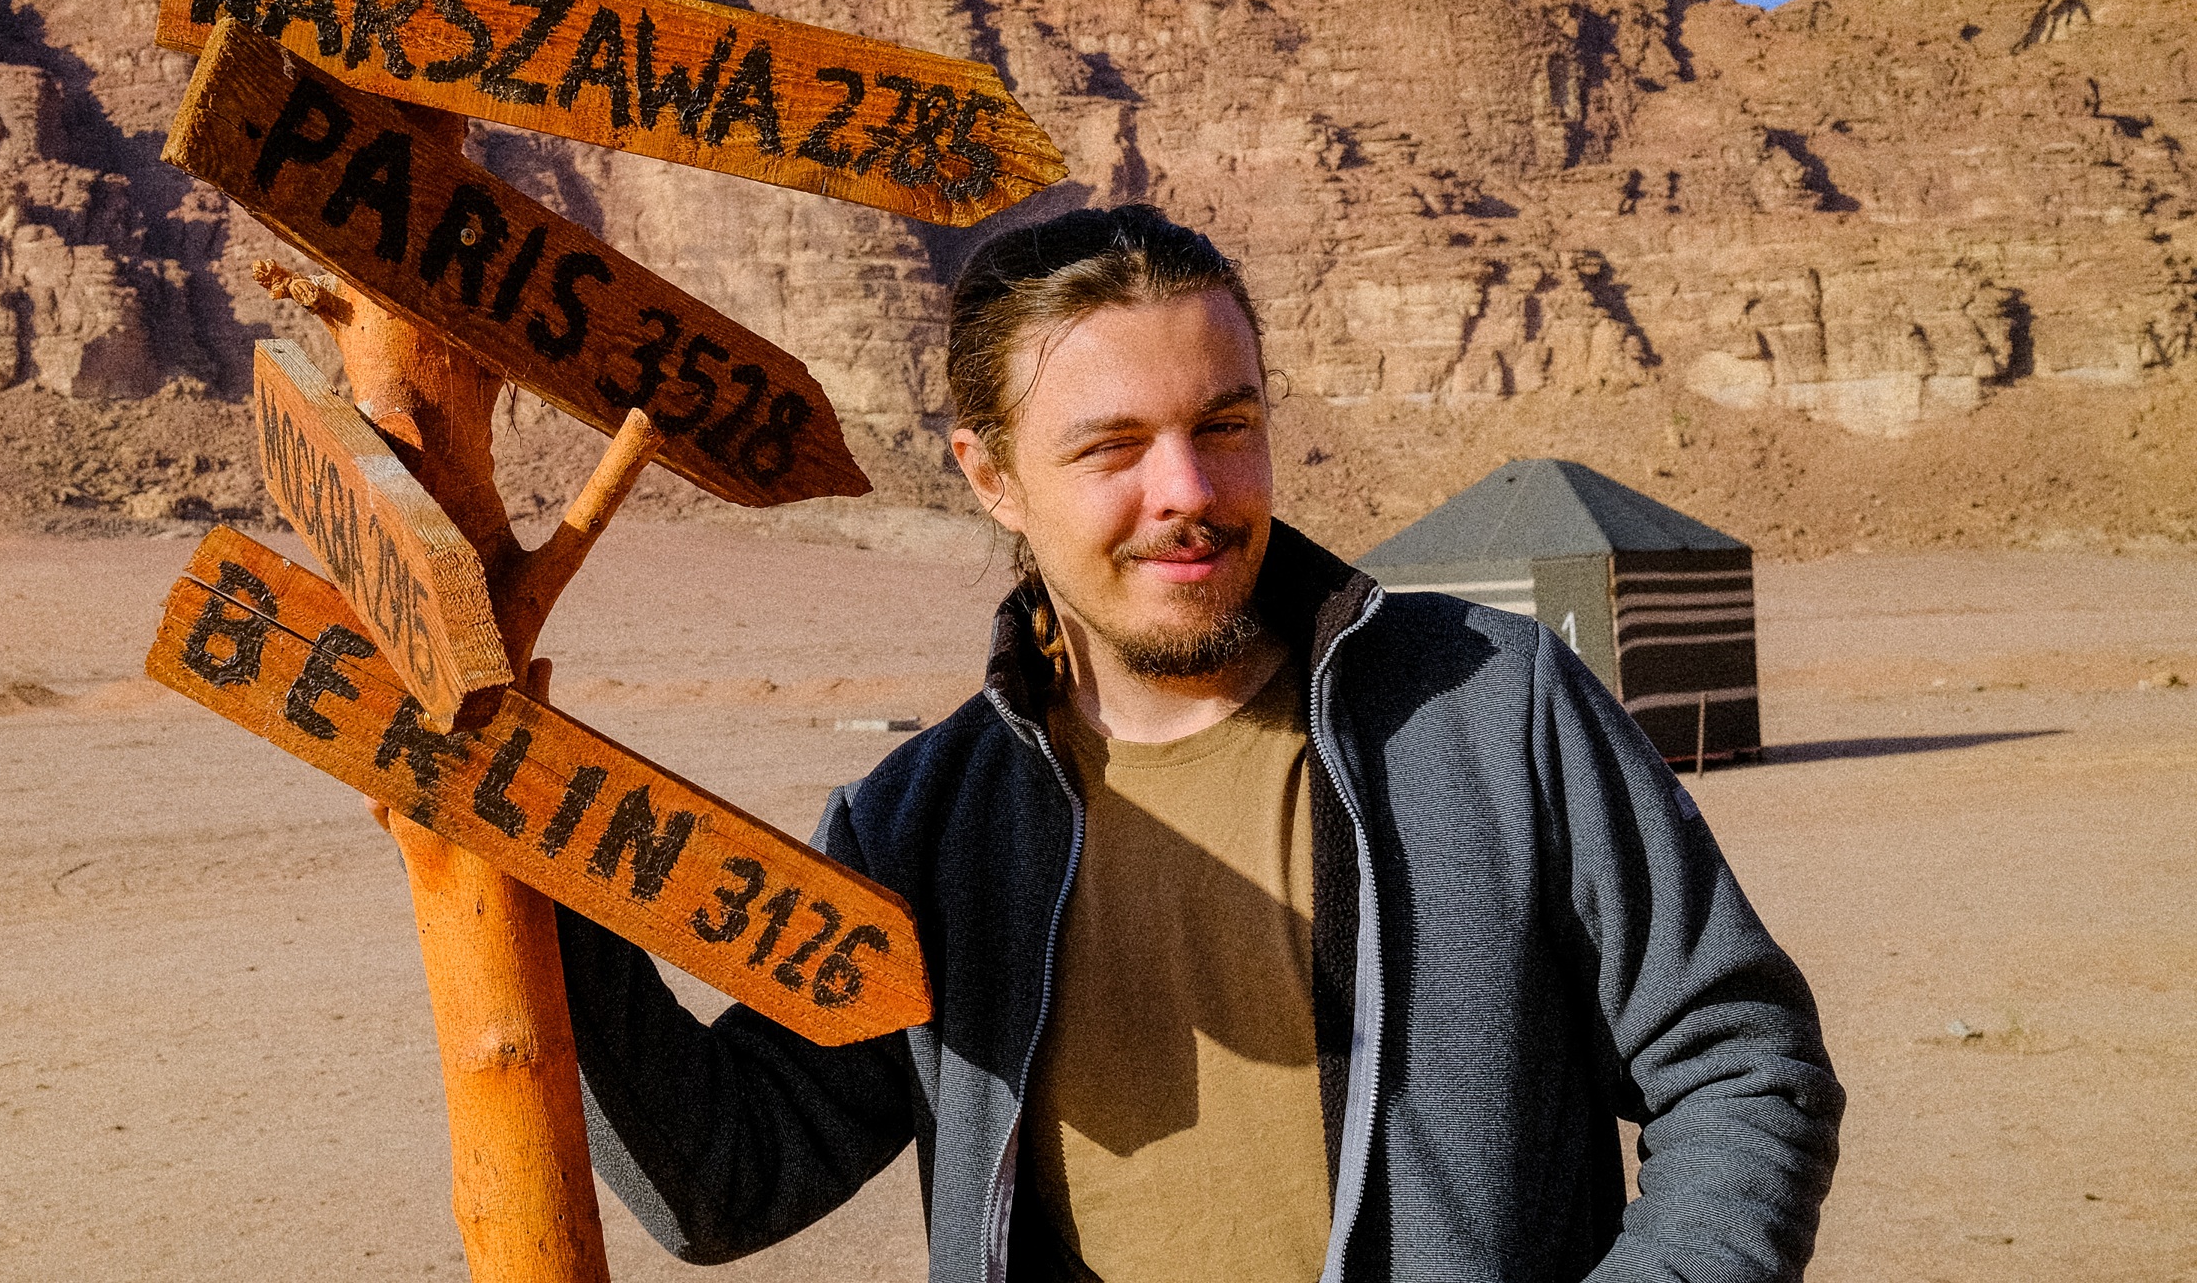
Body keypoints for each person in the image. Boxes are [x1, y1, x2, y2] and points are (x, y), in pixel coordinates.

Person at [553, 203, 1842, 1282]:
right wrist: (528, 845)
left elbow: (1741, 1066)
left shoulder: (1493, 710)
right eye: (1112, 446)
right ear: (991, 475)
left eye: (1224, 426)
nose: (1190, 493)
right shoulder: (926, 823)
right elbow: (731, 1175)